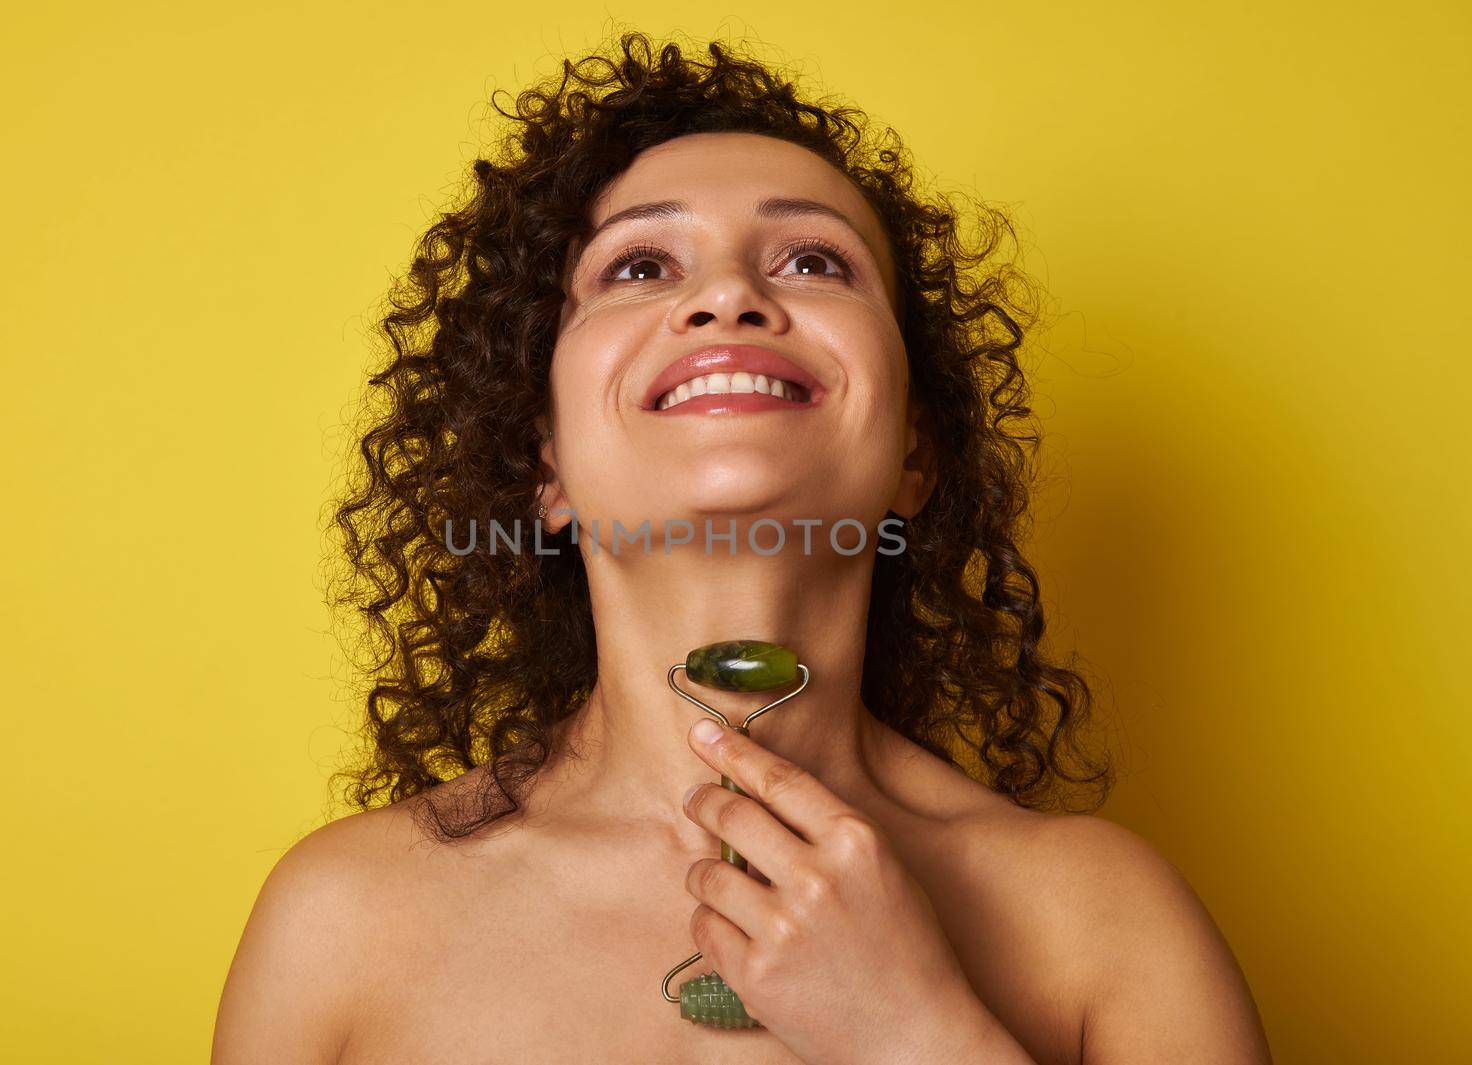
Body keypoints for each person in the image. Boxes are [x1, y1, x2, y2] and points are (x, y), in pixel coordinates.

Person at [212, 31, 1273, 1065]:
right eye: (639, 265)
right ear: (543, 469)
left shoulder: (1105, 921)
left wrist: (912, 1035)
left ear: (914, 452)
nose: (727, 296)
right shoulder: (343, 924)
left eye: (813, 260)